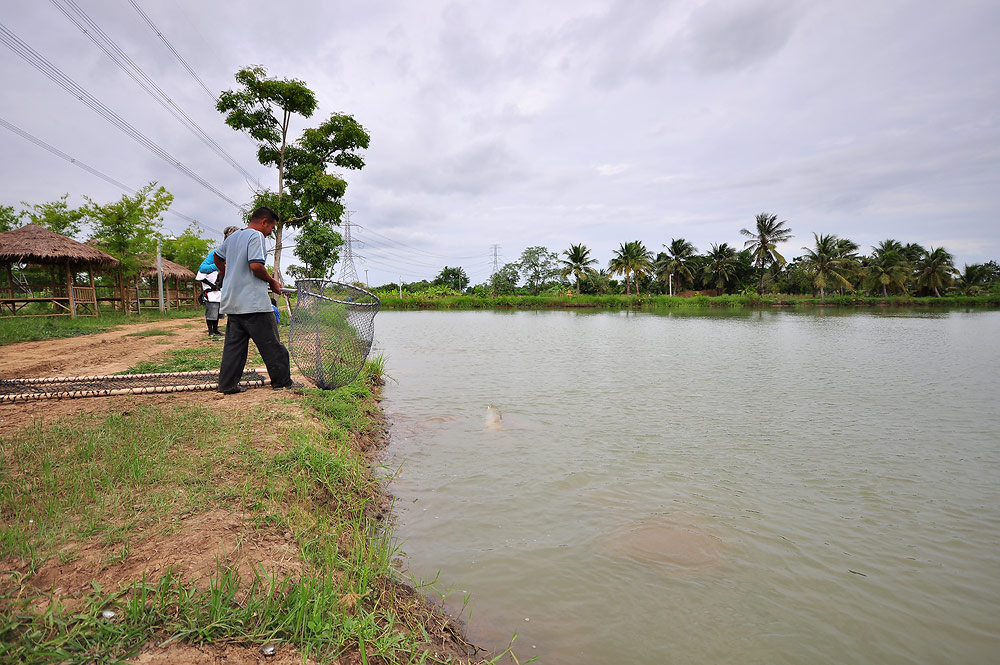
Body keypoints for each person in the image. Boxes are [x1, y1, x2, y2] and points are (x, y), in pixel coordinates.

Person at [214, 207, 302, 394]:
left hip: (233, 301)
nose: (271, 232)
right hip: (253, 303)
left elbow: (216, 256)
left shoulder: (233, 237)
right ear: (263, 222)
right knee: (272, 345)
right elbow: (255, 265)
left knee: (234, 347)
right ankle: (282, 382)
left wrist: (226, 271)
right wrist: (272, 281)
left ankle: (227, 385)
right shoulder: (256, 236)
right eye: (271, 227)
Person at [196, 225, 239, 338]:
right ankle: (210, 331)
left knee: (219, 311)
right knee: (212, 310)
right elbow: (202, 268)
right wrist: (219, 265)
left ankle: (216, 330)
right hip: (211, 288)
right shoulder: (217, 253)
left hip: (221, 288)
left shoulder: (234, 253)